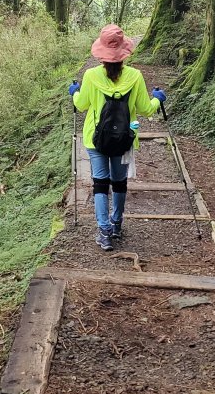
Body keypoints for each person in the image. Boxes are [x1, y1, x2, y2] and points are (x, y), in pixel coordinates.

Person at [69, 24, 166, 251]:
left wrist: (74, 92)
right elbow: (146, 109)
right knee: (119, 183)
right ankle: (116, 223)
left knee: (100, 184)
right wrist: (158, 99)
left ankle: (103, 231)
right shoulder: (135, 76)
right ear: (124, 52)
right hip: (125, 139)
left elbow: (81, 104)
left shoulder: (91, 76)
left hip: (96, 139)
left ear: (101, 53)